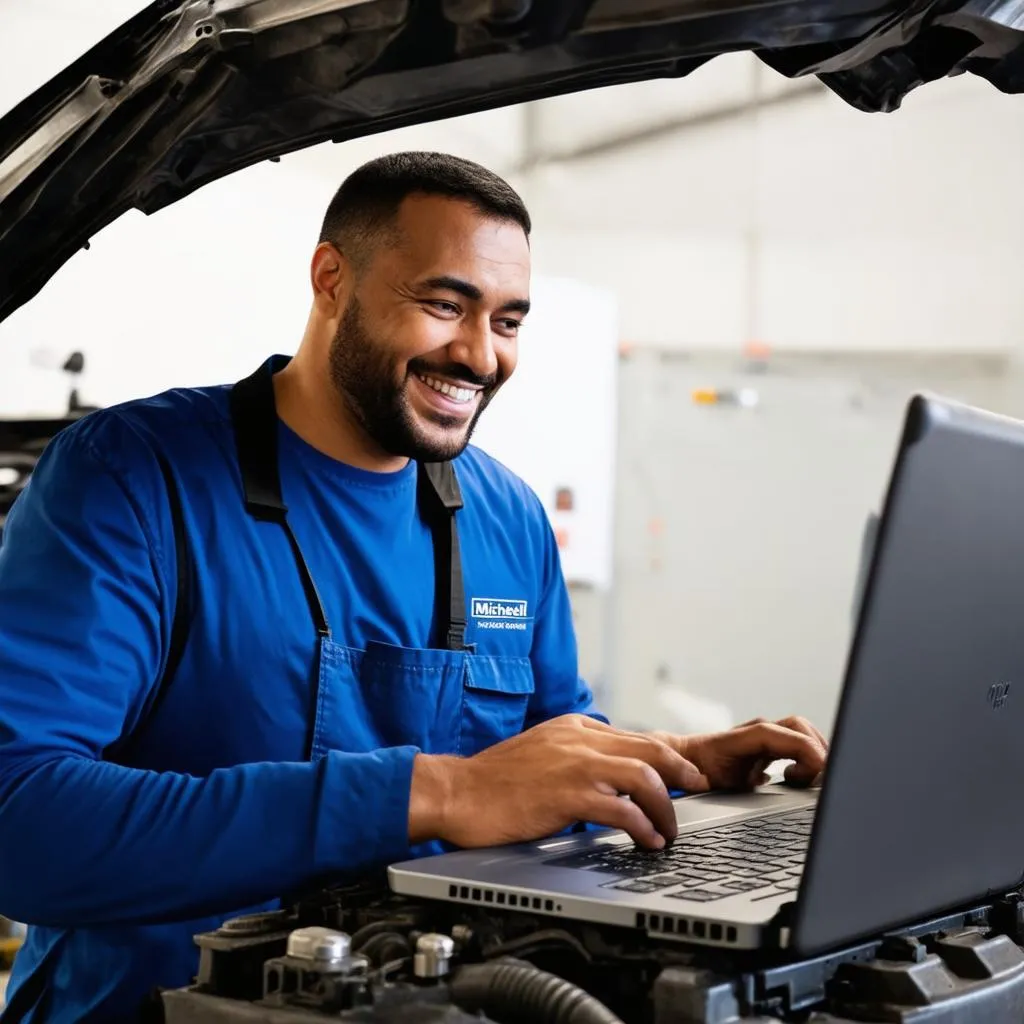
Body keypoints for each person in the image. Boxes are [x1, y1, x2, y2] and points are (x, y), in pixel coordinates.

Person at [0, 151, 827, 1022]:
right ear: (331, 280)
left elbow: (547, 759)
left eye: (508, 321)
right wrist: (438, 793)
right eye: (444, 305)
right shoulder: (133, 480)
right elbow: (18, 819)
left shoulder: (507, 516)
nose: (480, 355)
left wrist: (674, 768)